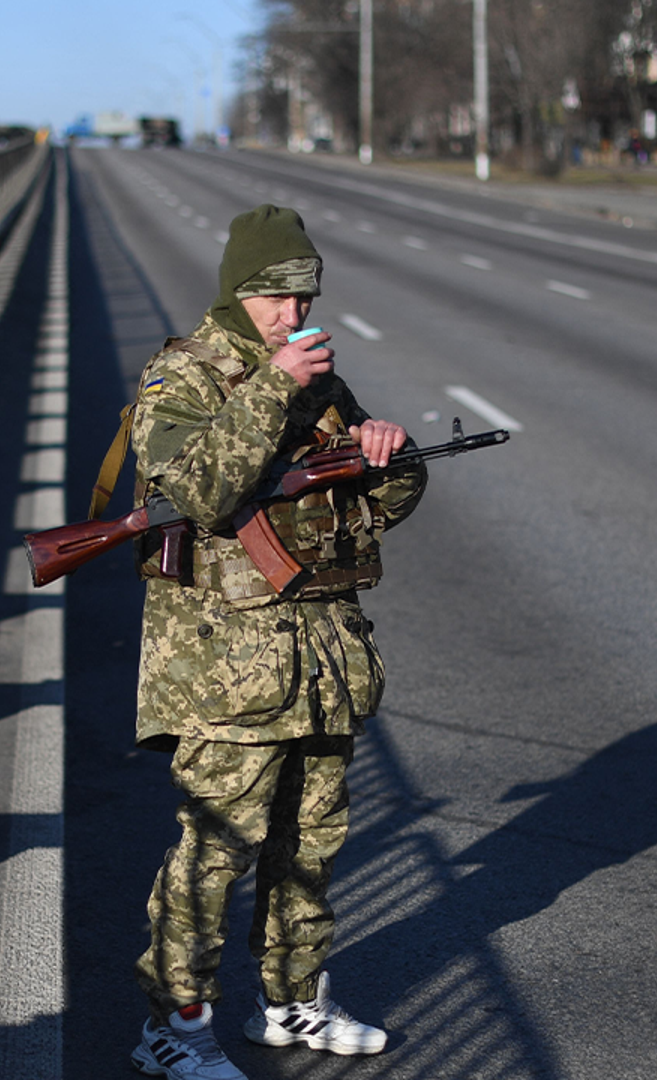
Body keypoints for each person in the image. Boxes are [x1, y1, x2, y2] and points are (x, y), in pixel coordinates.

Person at [125, 205, 427, 1080]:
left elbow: (374, 509)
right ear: (240, 291)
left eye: (305, 296)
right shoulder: (181, 376)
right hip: (225, 673)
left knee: (312, 843)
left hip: (323, 660)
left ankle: (293, 1004)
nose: (295, 314)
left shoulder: (320, 380)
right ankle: (172, 1029)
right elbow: (200, 489)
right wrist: (273, 386)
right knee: (215, 851)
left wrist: (388, 454)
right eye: (277, 297)